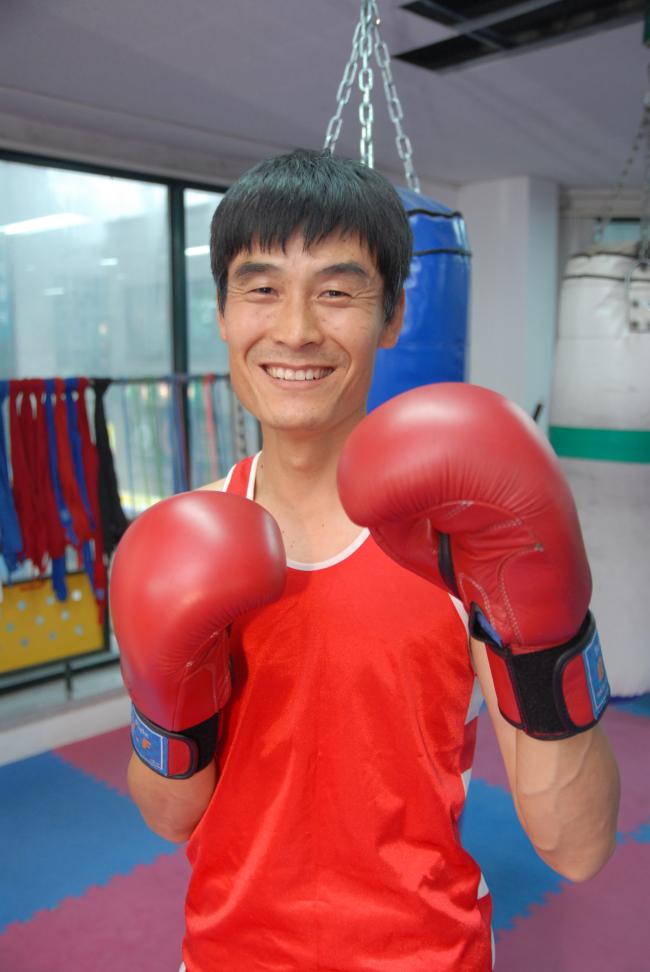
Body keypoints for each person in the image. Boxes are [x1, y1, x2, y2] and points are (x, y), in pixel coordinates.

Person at [110, 149, 621, 971]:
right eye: (262, 288)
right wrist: (170, 703)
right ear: (223, 313)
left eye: (337, 292)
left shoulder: (457, 540)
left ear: (393, 316)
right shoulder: (178, 545)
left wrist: (549, 630)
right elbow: (169, 816)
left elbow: (578, 846)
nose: (296, 330)